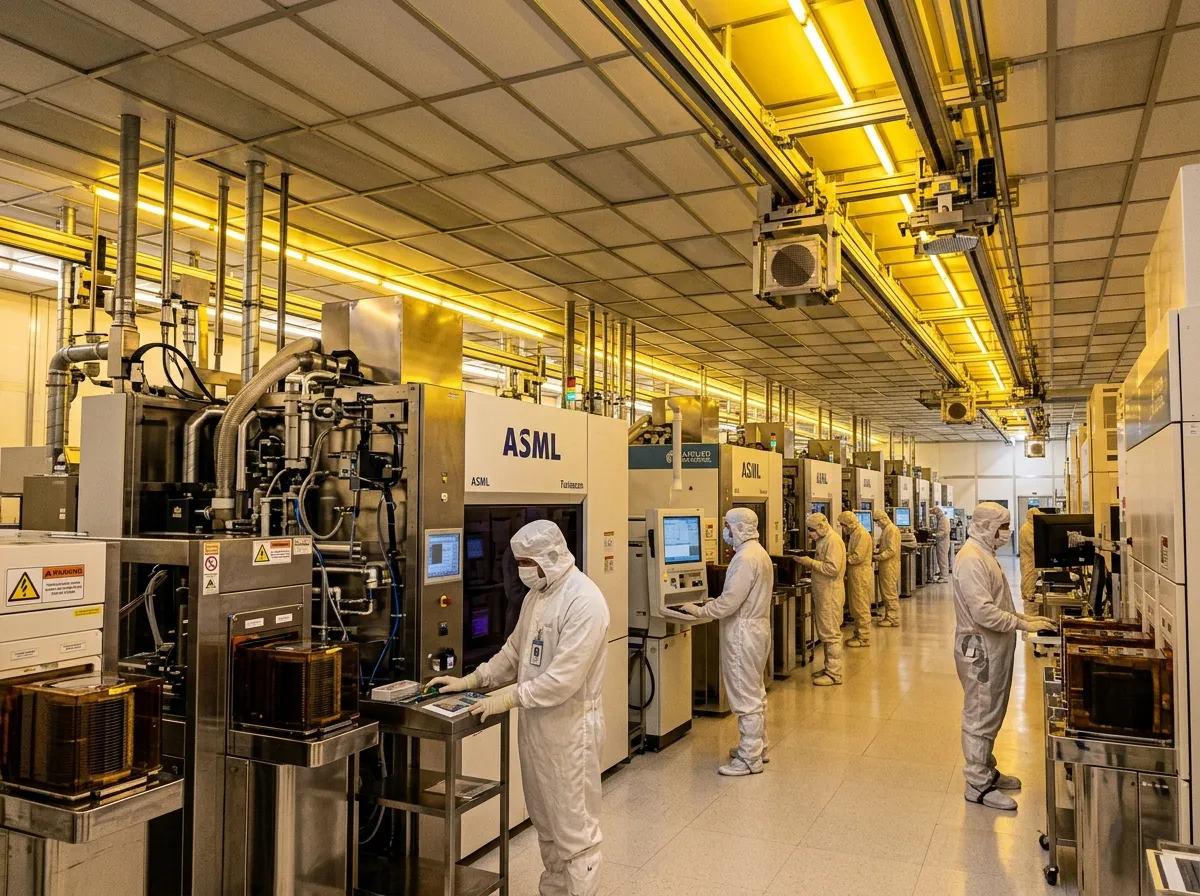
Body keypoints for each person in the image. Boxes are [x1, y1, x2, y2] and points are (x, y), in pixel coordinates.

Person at [430, 520, 609, 895]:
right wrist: (472, 680)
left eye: (527, 562)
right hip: (537, 729)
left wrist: (507, 698)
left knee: (575, 834)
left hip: (570, 733)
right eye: (519, 563)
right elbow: (514, 653)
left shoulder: (585, 601)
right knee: (547, 827)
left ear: (550, 557)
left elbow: (562, 680)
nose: (522, 571)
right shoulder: (537, 597)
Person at [953, 502, 1057, 810]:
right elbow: (983, 613)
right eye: (1002, 527)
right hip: (980, 650)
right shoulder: (971, 559)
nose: (1007, 532)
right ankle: (977, 784)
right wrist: (1023, 624)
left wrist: (1024, 620)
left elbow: (998, 602)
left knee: (992, 710)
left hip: (993, 646)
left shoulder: (984, 554)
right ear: (986, 526)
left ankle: (986, 768)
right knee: (980, 714)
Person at [679, 507, 773, 776]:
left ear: (739, 528)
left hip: (743, 633)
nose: (725, 532)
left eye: (728, 527)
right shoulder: (758, 553)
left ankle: (749, 759)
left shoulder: (745, 558)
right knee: (755, 692)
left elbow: (730, 602)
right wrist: (713, 603)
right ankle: (758, 747)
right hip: (757, 629)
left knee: (745, 696)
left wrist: (699, 610)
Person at [797, 512, 846, 686]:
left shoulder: (832, 541)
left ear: (821, 526)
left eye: (812, 530)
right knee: (825, 632)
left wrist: (809, 562)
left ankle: (834, 674)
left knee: (831, 634)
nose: (810, 534)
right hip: (824, 593)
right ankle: (828, 667)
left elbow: (832, 569)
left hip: (830, 594)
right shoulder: (824, 540)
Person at [838, 510, 873, 647]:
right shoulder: (855, 533)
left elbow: (858, 557)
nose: (843, 528)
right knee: (856, 605)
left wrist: (843, 560)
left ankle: (863, 637)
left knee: (861, 605)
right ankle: (859, 633)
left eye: (843, 525)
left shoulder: (861, 534)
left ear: (849, 523)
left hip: (860, 574)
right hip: (856, 573)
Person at [873, 508, 901, 626]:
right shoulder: (887, 530)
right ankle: (889, 616)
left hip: (890, 566)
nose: (878, 524)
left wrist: (878, 557)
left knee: (889, 592)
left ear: (884, 519)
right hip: (886, 565)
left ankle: (892, 618)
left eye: (878, 521)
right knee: (886, 592)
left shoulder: (891, 530)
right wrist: (878, 552)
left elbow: (891, 550)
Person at [1018, 507, 1042, 612]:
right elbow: (1036, 545)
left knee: (1032, 588)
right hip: (1030, 563)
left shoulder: (1032, 527)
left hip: (1033, 562)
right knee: (1029, 590)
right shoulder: (1027, 528)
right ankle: (1030, 615)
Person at [932, 505, 952, 583]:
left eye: (934, 513)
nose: (934, 515)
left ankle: (944, 577)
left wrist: (935, 535)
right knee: (940, 559)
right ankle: (942, 574)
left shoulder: (943, 519)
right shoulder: (941, 519)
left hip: (943, 542)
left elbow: (944, 532)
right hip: (941, 542)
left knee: (943, 559)